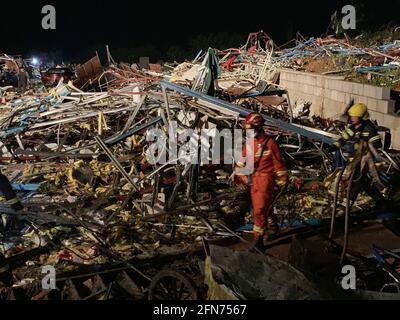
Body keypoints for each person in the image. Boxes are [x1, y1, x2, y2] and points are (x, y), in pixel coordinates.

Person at [235, 112, 288, 250]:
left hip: (266, 180)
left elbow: (279, 165)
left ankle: (258, 241)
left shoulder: (270, 143)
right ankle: (274, 227)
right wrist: (242, 177)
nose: (248, 132)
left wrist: (282, 181)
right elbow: (240, 164)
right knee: (263, 207)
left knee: (259, 210)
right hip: (253, 181)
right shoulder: (249, 144)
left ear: (258, 128)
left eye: (250, 129)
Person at [331, 102, 387, 206]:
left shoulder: (369, 128)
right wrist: (334, 146)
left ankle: (349, 201)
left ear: (361, 117)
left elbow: (377, 143)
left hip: (365, 158)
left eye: (354, 116)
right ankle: (380, 200)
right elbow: (344, 137)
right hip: (356, 157)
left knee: (356, 178)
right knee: (364, 182)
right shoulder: (354, 127)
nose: (351, 118)